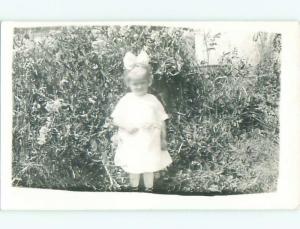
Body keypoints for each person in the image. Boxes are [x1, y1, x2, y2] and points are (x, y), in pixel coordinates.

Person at [111, 50, 172, 192]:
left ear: (148, 82)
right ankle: (134, 189)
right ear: (129, 83)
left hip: (150, 140)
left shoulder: (152, 100)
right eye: (135, 84)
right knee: (134, 166)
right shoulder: (126, 99)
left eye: (142, 83)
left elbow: (161, 120)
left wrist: (163, 138)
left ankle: (149, 190)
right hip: (132, 139)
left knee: (149, 166)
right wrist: (126, 126)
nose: (139, 87)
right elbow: (116, 119)